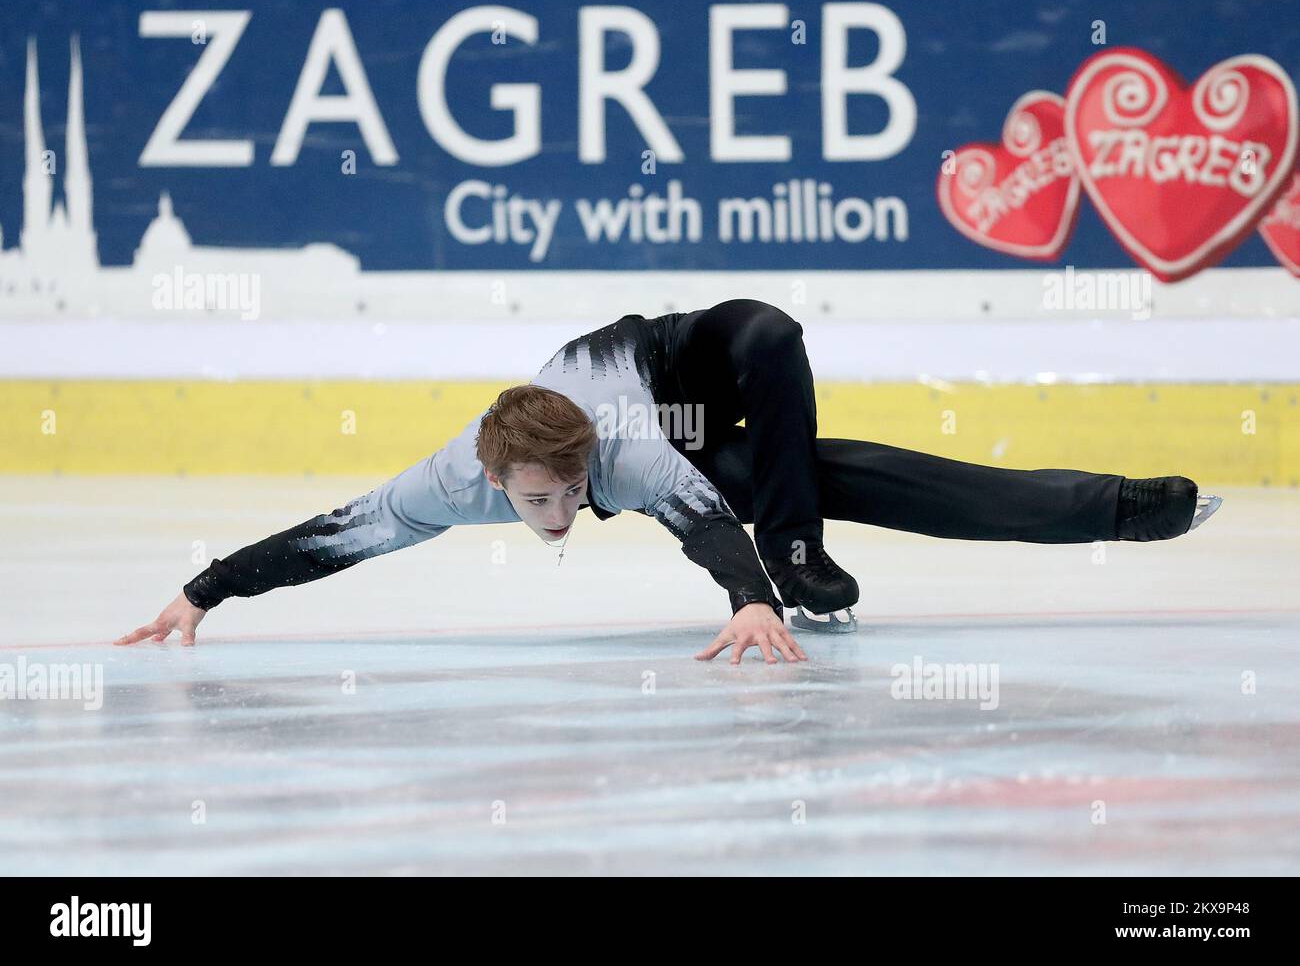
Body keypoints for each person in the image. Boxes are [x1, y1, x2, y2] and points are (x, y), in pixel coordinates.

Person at [117, 299, 1220, 663]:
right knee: (851, 477)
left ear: (592, 463)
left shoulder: (632, 456)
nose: (555, 516)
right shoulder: (444, 483)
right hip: (700, 437)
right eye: (538, 501)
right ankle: (1117, 506)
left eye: (568, 495)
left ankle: (798, 548)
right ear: (494, 480)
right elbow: (328, 535)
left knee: (778, 339)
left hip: (709, 357)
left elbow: (699, 530)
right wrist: (206, 588)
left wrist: (752, 592)